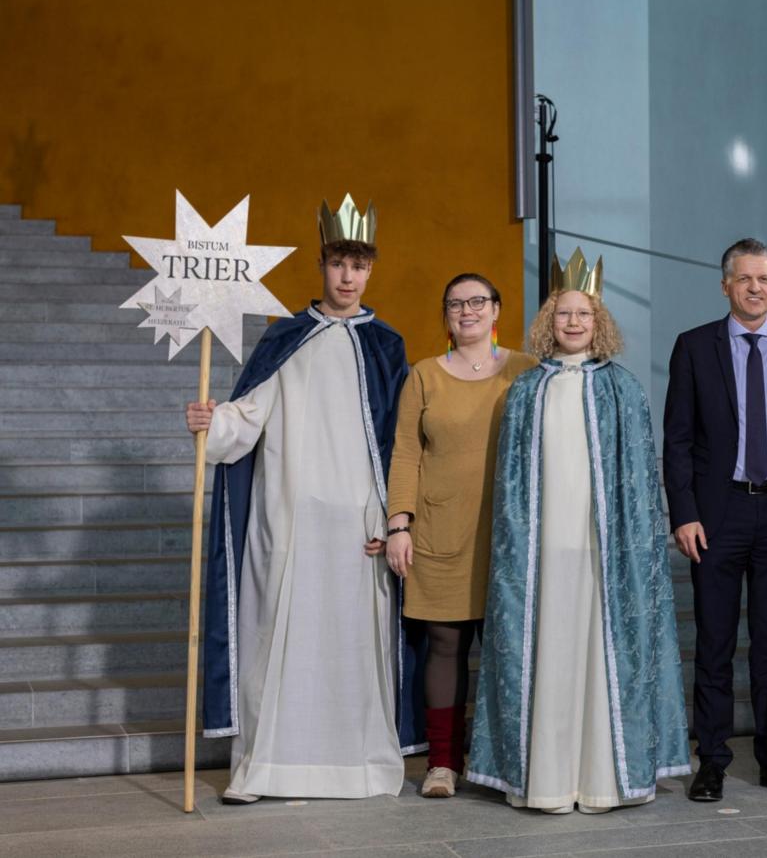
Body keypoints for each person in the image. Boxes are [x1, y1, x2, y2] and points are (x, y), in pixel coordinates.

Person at [190, 194, 424, 803]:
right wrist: (210, 420)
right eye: (340, 263)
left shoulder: (387, 346)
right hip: (287, 514)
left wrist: (395, 515)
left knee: (354, 642)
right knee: (276, 633)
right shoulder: (284, 338)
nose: (349, 277)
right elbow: (247, 417)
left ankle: (359, 765)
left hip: (358, 521)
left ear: (372, 269)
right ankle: (265, 765)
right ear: (322, 263)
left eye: (361, 265)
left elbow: (400, 439)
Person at [467, 249, 690, 814]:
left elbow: (640, 482)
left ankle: (601, 780)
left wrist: (630, 547)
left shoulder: (624, 388)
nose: (572, 323)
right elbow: (513, 483)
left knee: (598, 658)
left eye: (583, 315)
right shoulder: (525, 390)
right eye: (563, 314)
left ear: (599, 323)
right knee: (551, 654)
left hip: (602, 554)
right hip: (542, 554)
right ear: (548, 320)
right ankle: (545, 779)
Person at [664, 238, 767, 802]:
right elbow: (678, 440)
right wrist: (683, 513)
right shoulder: (693, 346)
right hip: (717, 514)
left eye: (765, 279)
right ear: (725, 284)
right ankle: (710, 759)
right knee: (712, 642)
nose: (756, 287)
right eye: (746, 278)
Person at [385, 272, 537, 798]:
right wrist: (398, 523)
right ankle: (443, 765)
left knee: (510, 649)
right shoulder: (424, 375)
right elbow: (406, 451)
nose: (467, 310)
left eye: (477, 301)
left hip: (511, 535)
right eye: (455, 303)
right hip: (440, 530)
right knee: (445, 646)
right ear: (445, 315)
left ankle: (510, 762)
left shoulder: (525, 369)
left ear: (496, 309)